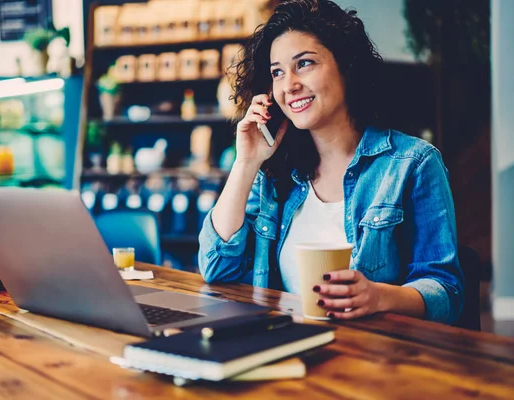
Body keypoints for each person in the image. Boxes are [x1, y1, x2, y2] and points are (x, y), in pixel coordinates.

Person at [198, 0, 464, 324]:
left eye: (305, 63)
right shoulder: (273, 174)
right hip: (287, 349)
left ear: (346, 66)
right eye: (277, 72)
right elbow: (216, 268)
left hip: (378, 359)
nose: (289, 85)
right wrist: (246, 164)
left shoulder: (414, 164)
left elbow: (447, 292)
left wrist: (380, 296)